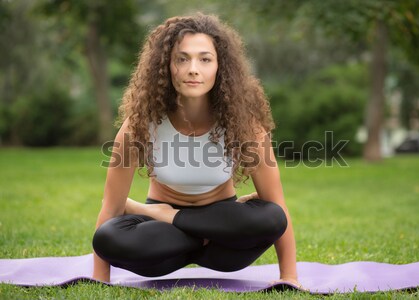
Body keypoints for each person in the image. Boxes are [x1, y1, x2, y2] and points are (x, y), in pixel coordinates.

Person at [92, 13, 301, 289]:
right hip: (166, 241)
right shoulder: (141, 123)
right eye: (182, 58)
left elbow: (278, 209)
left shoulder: (246, 124)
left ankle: (170, 217)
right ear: (166, 66)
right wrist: (98, 281)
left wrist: (289, 278)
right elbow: (110, 208)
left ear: (220, 67)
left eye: (204, 59)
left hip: (222, 236)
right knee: (109, 237)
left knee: (272, 217)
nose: (193, 69)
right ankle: (172, 221)